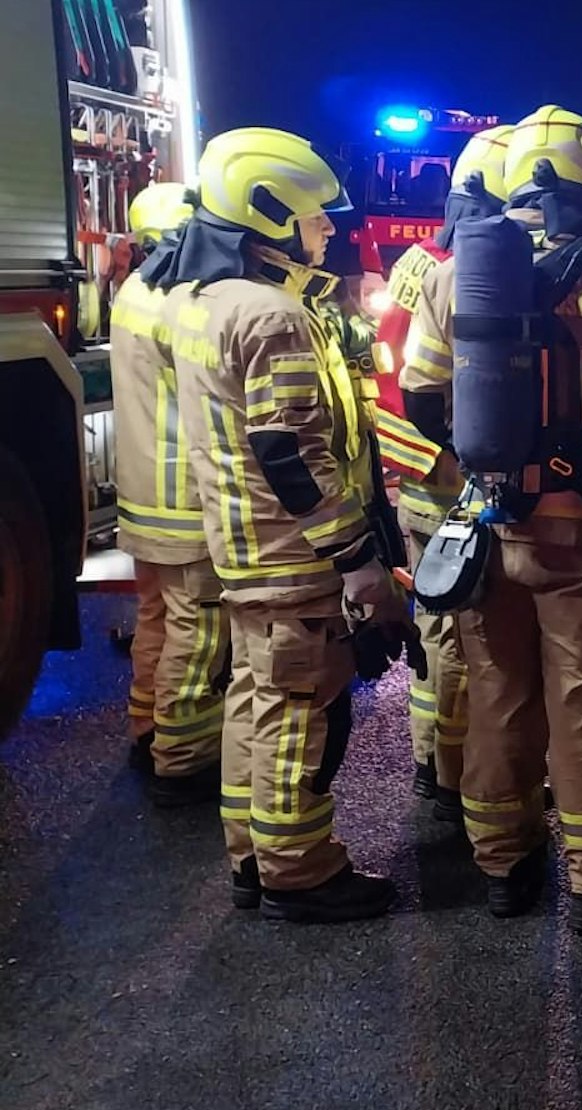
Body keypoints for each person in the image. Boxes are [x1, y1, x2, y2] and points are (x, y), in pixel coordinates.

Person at [402, 105, 582, 935]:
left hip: (489, 527)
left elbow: (422, 397)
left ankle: (504, 864)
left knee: (496, 694)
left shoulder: (454, 270)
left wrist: (493, 464)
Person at [155, 127, 414, 922]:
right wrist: (358, 559)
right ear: (266, 214)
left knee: (256, 700)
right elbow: (293, 453)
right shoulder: (273, 317)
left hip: (239, 548)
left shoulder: (199, 304)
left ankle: (251, 854)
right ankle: (300, 869)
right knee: (303, 710)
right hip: (291, 553)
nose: (330, 229)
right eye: (314, 216)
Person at [370, 123, 512, 822]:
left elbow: (392, 369)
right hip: (458, 482)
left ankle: (434, 760)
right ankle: (457, 774)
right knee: (466, 636)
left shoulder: (420, 259)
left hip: (423, 475)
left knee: (438, 631)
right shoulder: (474, 271)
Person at [112, 180, 231, 806]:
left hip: (141, 496)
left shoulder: (134, 291)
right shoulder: (182, 301)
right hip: (184, 499)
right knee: (200, 630)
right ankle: (180, 759)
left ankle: (147, 723)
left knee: (156, 615)